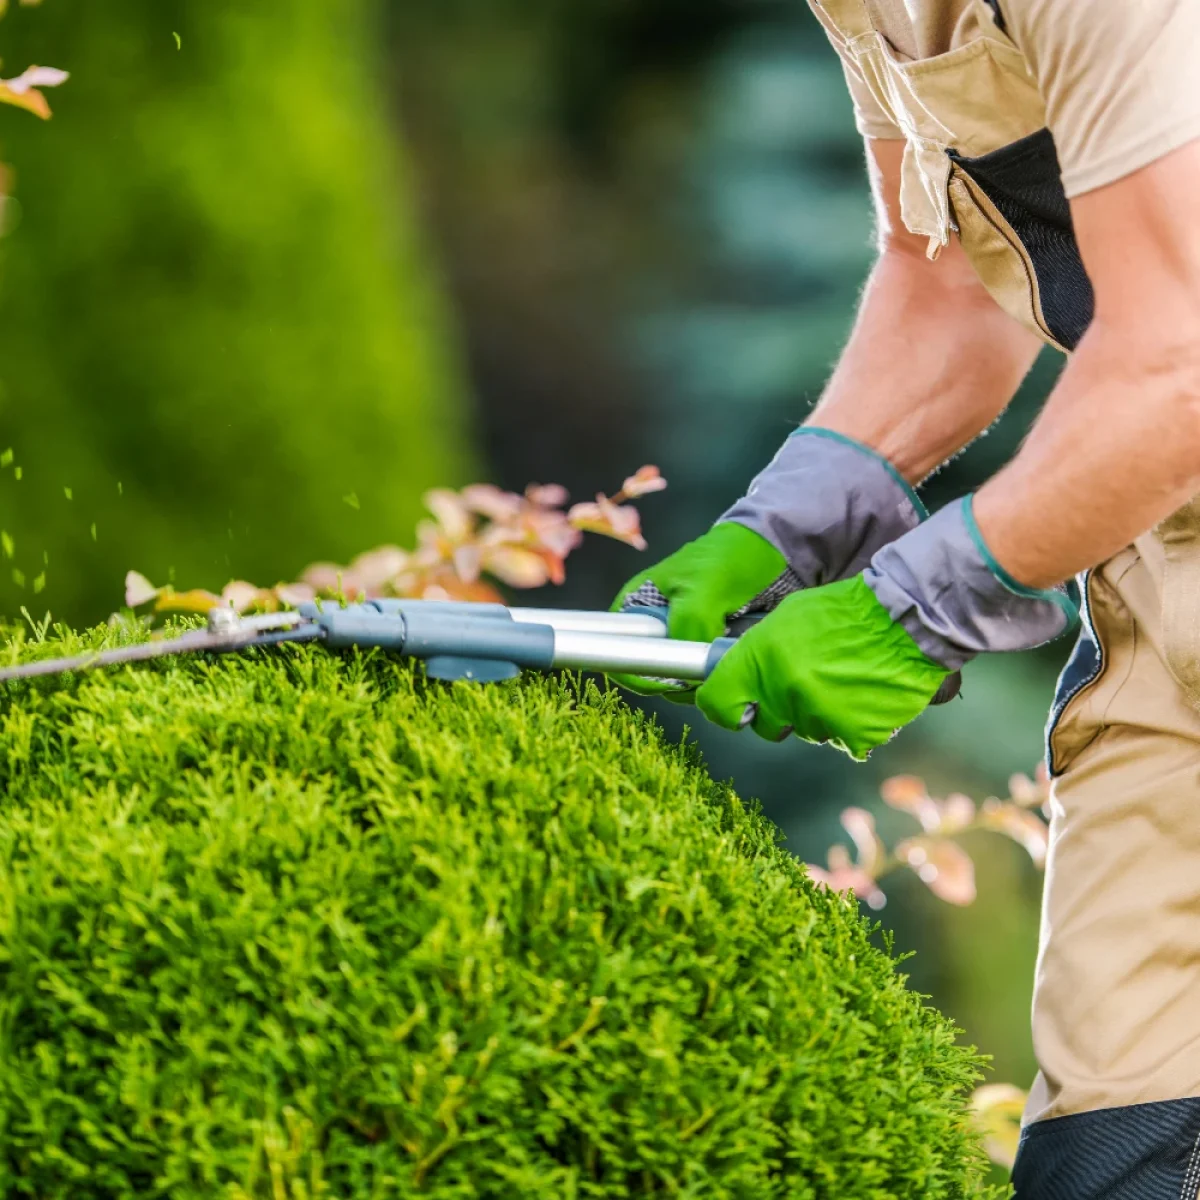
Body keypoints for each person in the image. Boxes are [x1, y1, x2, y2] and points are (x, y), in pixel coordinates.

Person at [608, 1, 1200, 1195]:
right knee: (1113, 1152)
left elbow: (1180, 360)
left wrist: (918, 604)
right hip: (1168, 589)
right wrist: (785, 523)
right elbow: (950, 275)